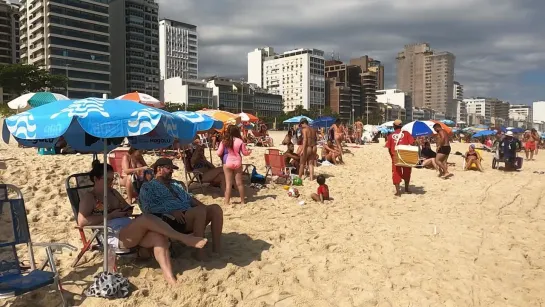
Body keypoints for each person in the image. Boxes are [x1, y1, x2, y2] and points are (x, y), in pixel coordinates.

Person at [79, 161, 207, 284]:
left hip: (129, 228)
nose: (110, 183)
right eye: (107, 180)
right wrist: (111, 215)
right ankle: (183, 238)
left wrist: (126, 211)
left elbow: (126, 207)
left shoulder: (113, 192)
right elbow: (82, 221)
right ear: (96, 179)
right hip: (113, 234)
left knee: (159, 237)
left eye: (112, 180)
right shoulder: (90, 197)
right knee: (145, 218)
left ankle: (170, 277)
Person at [139, 158, 224, 259]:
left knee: (215, 208)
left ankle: (216, 248)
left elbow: (190, 199)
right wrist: (170, 211)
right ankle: (199, 252)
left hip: (189, 214)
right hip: (169, 219)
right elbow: (147, 208)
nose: (171, 171)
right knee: (199, 211)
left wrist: (206, 209)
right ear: (159, 169)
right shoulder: (148, 186)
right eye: (168, 168)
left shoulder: (176, 184)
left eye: (172, 169)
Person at [217, 125, 252, 205]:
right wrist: (249, 152)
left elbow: (219, 153)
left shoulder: (224, 141)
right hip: (237, 162)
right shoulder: (240, 141)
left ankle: (227, 202)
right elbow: (244, 153)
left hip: (227, 162)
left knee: (228, 184)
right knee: (239, 183)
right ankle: (243, 201)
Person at [385, 119, 415, 196]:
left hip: (395, 155)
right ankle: (406, 189)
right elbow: (412, 143)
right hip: (405, 154)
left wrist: (392, 157)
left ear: (394, 126)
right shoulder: (407, 133)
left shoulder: (391, 135)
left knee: (396, 173)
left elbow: (389, 148)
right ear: (401, 126)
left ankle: (398, 192)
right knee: (407, 171)